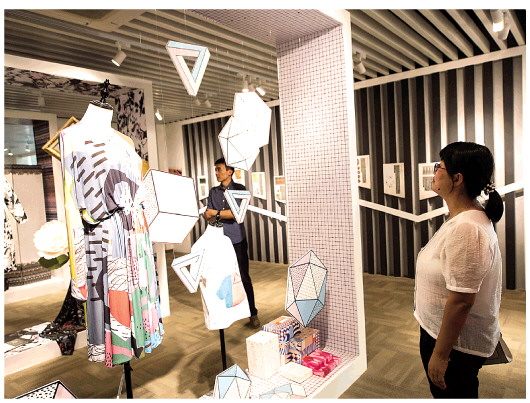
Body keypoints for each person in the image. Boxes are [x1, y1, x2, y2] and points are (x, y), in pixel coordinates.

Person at [414, 141, 504, 398]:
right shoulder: (464, 219)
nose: (434, 172)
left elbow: (462, 300)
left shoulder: (468, 228)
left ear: (457, 179)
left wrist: (440, 355)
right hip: (442, 333)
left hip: (455, 346)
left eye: (438, 167)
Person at [204, 158, 260, 329]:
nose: (216, 173)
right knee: (221, 278)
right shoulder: (213, 192)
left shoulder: (240, 190)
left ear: (229, 171)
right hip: (219, 241)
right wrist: (222, 213)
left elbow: (237, 215)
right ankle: (227, 315)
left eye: (219, 169)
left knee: (243, 277)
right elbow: (207, 215)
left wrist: (216, 213)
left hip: (237, 240)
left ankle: (253, 313)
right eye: (215, 169)